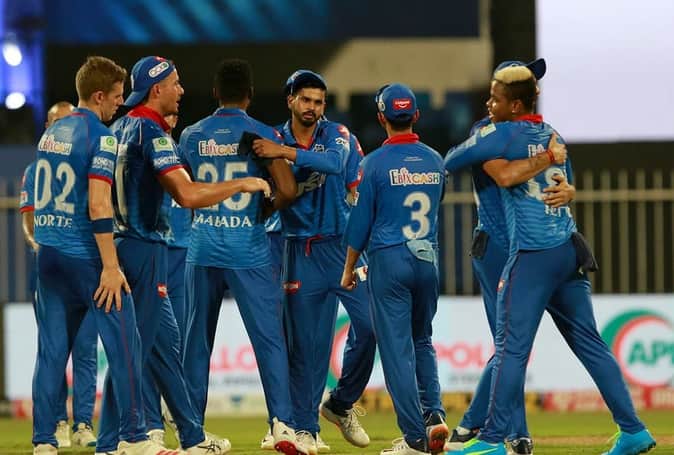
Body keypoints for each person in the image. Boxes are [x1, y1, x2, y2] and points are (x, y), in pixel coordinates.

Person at [444, 64, 656, 455]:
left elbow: (455, 161)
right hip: (566, 248)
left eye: (496, 98)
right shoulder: (552, 134)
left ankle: (492, 438)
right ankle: (633, 430)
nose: (489, 103)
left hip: (530, 254)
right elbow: (560, 178)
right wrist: (552, 167)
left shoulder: (499, 133)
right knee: (590, 343)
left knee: (510, 348)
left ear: (516, 104)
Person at [97, 55, 270, 455]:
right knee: (133, 350)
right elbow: (188, 194)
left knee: (162, 348)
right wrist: (241, 183)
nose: (181, 90)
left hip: (124, 246)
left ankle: (192, 436)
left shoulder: (118, 128)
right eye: (175, 83)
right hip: (145, 248)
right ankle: (118, 440)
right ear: (156, 89)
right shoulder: (153, 133)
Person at [30, 56, 172, 455]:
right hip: (84, 258)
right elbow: (97, 204)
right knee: (127, 343)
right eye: (116, 96)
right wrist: (110, 266)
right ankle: (135, 437)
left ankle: (44, 441)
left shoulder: (52, 133)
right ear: (97, 96)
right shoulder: (103, 138)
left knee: (51, 352)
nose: (120, 103)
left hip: (48, 256)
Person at [443, 59, 575, 455]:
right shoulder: (487, 132)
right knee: (509, 347)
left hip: (529, 247)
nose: (536, 89)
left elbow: (561, 183)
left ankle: (481, 426)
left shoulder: (538, 135)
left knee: (510, 347)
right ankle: (506, 432)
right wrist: (545, 159)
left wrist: (570, 191)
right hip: (498, 247)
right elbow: (502, 175)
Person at [178, 58, 307, 455]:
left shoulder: (192, 135)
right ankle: (282, 425)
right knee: (269, 340)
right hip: (248, 249)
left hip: (202, 248)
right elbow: (288, 190)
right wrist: (265, 209)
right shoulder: (262, 133)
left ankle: (192, 432)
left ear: (215, 93)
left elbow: (182, 191)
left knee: (196, 343)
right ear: (249, 94)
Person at [252, 69, 374, 454]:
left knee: (372, 325)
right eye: (305, 100)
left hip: (342, 248)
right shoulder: (270, 138)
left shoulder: (337, 134)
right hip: (298, 248)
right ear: (290, 100)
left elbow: (337, 165)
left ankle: (340, 403)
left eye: (319, 102)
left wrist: (285, 154)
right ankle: (304, 428)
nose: (313, 108)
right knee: (306, 347)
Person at [341, 83, 447, 455]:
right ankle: (434, 415)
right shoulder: (435, 160)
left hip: (389, 260)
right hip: (427, 258)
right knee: (422, 340)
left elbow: (359, 226)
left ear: (381, 117)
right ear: (415, 115)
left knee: (396, 350)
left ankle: (416, 439)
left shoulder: (372, 164)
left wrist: (349, 268)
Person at [20, 101, 98, 449]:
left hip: (73, 264)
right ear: (47, 128)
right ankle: (54, 425)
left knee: (84, 350)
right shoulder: (35, 169)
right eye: (56, 122)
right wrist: (43, 245)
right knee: (53, 351)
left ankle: (82, 424)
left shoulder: (81, 159)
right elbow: (29, 219)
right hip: (60, 265)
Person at [142, 113, 194, 447]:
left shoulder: (181, 152)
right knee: (150, 340)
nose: (171, 118)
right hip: (158, 252)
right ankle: (151, 423)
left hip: (183, 255)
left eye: (175, 114)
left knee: (178, 343)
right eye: (167, 113)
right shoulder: (146, 149)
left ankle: (177, 412)